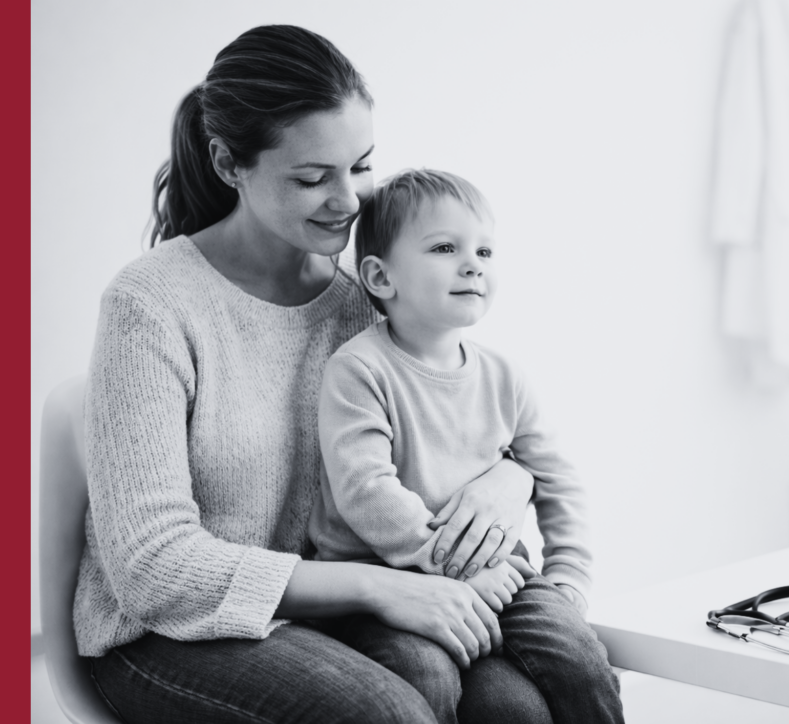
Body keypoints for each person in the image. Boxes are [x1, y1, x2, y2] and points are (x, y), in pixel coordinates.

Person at [77, 25, 560, 724]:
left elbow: (462, 413)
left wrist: (511, 476)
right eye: (311, 178)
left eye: (361, 166)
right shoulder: (150, 305)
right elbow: (151, 566)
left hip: (333, 613)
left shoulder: (367, 296)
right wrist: (372, 587)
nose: (350, 199)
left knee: (519, 708)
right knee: (391, 713)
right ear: (229, 163)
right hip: (164, 633)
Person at [308, 169, 624, 724]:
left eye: (484, 250)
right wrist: (451, 567)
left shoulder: (505, 376)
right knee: (425, 673)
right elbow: (365, 490)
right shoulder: (358, 369)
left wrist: (568, 577)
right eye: (445, 248)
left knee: (580, 657)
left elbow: (556, 478)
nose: (473, 264)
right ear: (381, 276)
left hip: (497, 572)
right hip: (384, 579)